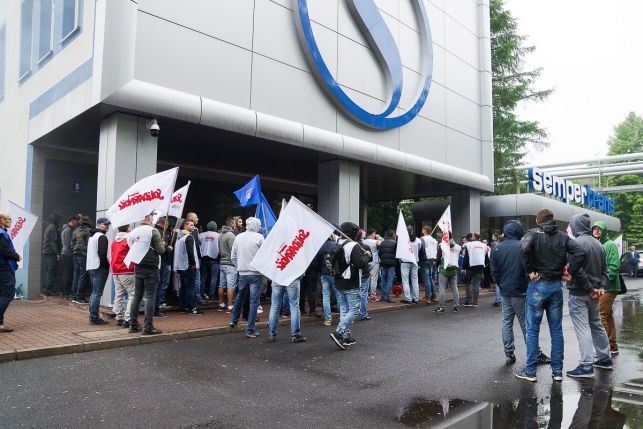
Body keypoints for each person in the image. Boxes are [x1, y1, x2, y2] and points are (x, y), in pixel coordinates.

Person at [516, 208, 586, 383]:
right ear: (552, 220)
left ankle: (530, 372)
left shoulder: (532, 233)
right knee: (556, 330)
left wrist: (530, 271)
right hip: (556, 286)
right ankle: (557, 372)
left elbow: (524, 248)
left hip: (538, 286)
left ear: (538, 220)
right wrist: (570, 272)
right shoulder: (563, 236)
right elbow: (580, 252)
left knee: (532, 330)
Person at [491, 220, 550, 366]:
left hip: (505, 291)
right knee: (526, 324)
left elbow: (494, 272)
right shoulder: (522, 246)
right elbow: (530, 267)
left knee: (506, 322)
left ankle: (509, 354)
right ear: (519, 231)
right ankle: (535, 353)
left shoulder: (497, 248)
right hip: (521, 290)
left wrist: (501, 285)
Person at [565, 214, 612, 378]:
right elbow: (605, 270)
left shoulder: (575, 243)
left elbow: (576, 270)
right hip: (594, 293)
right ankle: (605, 358)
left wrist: (590, 288)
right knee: (596, 324)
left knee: (583, 328)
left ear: (575, 225)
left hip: (580, 292)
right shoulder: (598, 244)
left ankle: (586, 366)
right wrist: (600, 287)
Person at [329, 222, 371, 350]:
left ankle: (346, 337)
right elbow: (360, 264)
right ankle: (339, 331)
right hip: (351, 282)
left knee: (344, 309)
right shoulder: (354, 245)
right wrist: (366, 256)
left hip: (338, 281)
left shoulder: (337, 243)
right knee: (354, 309)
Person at [128, 212, 166, 335]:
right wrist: (163, 245)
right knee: (150, 297)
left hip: (138, 266)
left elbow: (131, 247)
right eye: (152, 216)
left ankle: (132, 324)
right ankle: (148, 326)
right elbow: (160, 250)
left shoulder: (133, 232)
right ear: (148, 217)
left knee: (137, 296)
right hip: (151, 267)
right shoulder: (153, 231)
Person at [229, 217, 264, 338]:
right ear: (255, 225)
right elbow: (263, 255)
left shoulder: (238, 237)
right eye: (259, 225)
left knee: (239, 296)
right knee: (254, 302)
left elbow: (233, 256)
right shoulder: (260, 237)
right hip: (255, 273)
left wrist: (239, 267)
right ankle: (250, 329)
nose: (260, 227)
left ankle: (233, 320)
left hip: (242, 273)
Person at [592, 220, 623, 355]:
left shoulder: (610, 245)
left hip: (608, 287)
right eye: (595, 229)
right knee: (608, 315)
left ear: (604, 231)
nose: (597, 231)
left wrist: (602, 283)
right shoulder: (596, 244)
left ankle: (604, 348)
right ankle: (612, 345)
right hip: (601, 285)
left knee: (602, 315)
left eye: (600, 229)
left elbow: (614, 266)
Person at [86, 217, 111, 325]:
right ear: (98, 224)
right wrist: (106, 266)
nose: (107, 226)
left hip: (91, 266)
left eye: (108, 225)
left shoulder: (92, 236)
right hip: (99, 267)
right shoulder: (101, 237)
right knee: (97, 293)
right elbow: (102, 255)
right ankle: (94, 317)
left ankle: (92, 315)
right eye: (105, 224)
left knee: (94, 292)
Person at [175, 219, 202, 315]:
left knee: (184, 287)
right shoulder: (189, 237)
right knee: (190, 287)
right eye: (191, 225)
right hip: (189, 266)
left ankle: (183, 306)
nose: (193, 227)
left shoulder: (179, 237)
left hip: (181, 266)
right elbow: (190, 252)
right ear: (185, 226)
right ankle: (192, 307)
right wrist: (193, 263)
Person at [268, 276, 307, 343]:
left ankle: (272, 334)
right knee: (294, 307)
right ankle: (295, 335)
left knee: (275, 306)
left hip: (277, 278)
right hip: (292, 278)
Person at [0, 212, 21, 332]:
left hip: (3, 267)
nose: (11, 221)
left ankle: (0, 324)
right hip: (4, 268)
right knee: (8, 294)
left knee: (2, 295)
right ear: (2, 220)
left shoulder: (3, 233)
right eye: (9, 219)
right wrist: (16, 256)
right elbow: (4, 251)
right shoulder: (1, 234)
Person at [111, 224, 135, 328]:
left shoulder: (114, 241)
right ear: (128, 228)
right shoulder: (128, 240)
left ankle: (119, 317)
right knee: (133, 294)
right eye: (130, 227)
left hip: (116, 270)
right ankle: (128, 318)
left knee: (119, 294)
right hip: (126, 270)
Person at [434, 238, 460, 313]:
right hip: (453, 270)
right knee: (455, 288)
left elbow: (438, 258)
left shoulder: (442, 246)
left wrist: (437, 265)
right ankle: (456, 306)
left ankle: (441, 307)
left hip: (443, 269)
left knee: (442, 289)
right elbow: (457, 258)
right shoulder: (458, 246)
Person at [462, 232, 488, 307]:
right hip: (480, 266)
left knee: (469, 283)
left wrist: (464, 267)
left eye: (472, 236)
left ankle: (469, 301)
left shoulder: (469, 245)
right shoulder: (484, 245)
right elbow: (485, 256)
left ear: (473, 237)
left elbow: (466, 257)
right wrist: (486, 264)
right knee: (476, 283)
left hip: (471, 266)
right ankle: (475, 302)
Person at [154, 216, 174, 315]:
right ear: (164, 224)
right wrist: (169, 248)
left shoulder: (155, 230)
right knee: (160, 284)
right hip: (163, 261)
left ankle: (157, 305)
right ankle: (157, 306)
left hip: (161, 262)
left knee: (159, 285)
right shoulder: (160, 232)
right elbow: (162, 247)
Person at [71, 215, 92, 304]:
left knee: (76, 275)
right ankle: (79, 297)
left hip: (75, 254)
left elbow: (71, 243)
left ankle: (74, 296)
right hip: (83, 255)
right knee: (82, 275)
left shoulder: (75, 230)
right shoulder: (88, 231)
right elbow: (90, 244)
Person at [317, 233, 338, 325]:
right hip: (334, 273)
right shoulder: (336, 245)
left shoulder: (320, 246)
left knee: (325, 296)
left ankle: (328, 319)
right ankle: (343, 316)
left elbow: (317, 260)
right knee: (339, 294)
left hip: (324, 272)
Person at [218, 217, 237, 313]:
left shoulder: (220, 234)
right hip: (230, 264)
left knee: (221, 284)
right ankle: (230, 307)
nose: (235, 225)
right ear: (232, 223)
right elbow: (233, 251)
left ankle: (221, 304)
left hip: (221, 262)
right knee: (231, 286)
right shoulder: (231, 235)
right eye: (234, 223)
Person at [185, 212, 205, 303]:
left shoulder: (183, 231)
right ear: (191, 219)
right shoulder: (194, 230)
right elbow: (194, 245)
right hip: (193, 258)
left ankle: (190, 299)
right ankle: (196, 298)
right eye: (196, 217)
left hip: (188, 259)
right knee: (196, 278)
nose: (198, 219)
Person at [199, 221, 220, 303]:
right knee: (214, 277)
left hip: (204, 258)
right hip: (214, 258)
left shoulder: (201, 235)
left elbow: (198, 245)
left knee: (203, 276)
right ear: (215, 227)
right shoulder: (219, 236)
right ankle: (211, 295)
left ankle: (201, 293)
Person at [60, 214, 79, 299]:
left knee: (65, 273)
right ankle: (66, 293)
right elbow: (68, 244)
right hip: (67, 254)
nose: (77, 223)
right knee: (67, 274)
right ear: (73, 220)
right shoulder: (68, 230)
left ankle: (64, 292)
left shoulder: (67, 229)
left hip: (65, 254)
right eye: (77, 221)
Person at [400, 227, 421, 304]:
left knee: (405, 280)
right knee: (415, 280)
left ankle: (408, 298)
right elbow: (419, 249)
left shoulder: (403, 240)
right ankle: (416, 298)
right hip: (415, 261)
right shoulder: (418, 240)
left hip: (405, 261)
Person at [41, 213, 61, 296]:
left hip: (46, 252)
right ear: (55, 220)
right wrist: (57, 254)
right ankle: (49, 290)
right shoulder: (53, 228)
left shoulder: (49, 227)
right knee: (51, 272)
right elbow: (53, 243)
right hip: (50, 253)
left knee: (47, 271)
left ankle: (46, 289)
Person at [419, 226, 438, 303]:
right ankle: (434, 295)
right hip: (432, 260)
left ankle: (428, 296)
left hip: (425, 259)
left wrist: (419, 258)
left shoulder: (422, 239)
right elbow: (436, 250)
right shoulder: (434, 240)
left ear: (424, 230)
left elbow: (421, 249)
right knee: (430, 277)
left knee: (426, 278)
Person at [378, 230, 397, 303]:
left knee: (383, 279)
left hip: (383, 263)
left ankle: (383, 296)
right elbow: (396, 254)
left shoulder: (382, 242)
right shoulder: (395, 243)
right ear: (393, 235)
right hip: (391, 263)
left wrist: (382, 259)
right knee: (389, 280)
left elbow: (380, 253)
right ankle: (387, 296)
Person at [363, 228, 381, 301]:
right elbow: (382, 243)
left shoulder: (363, 241)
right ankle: (373, 295)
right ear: (373, 233)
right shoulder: (375, 241)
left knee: (366, 278)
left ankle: (366, 294)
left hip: (366, 261)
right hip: (374, 261)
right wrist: (379, 238)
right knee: (374, 279)